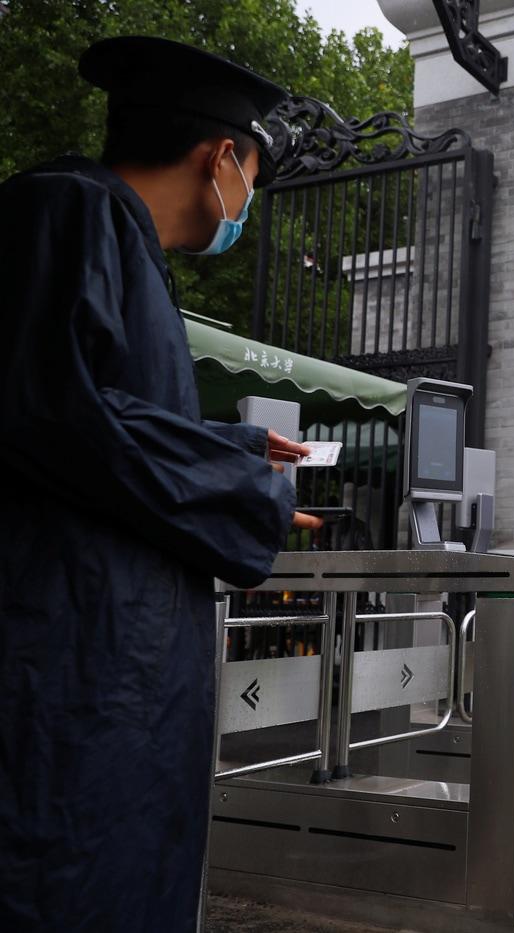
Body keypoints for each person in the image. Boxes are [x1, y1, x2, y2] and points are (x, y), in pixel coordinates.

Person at [0, 37, 320, 931]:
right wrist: (236, 477)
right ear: (222, 158)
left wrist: (232, 448)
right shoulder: (63, 212)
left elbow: (104, 422)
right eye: (254, 172)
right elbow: (58, 414)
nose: (247, 200)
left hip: (117, 674)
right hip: (73, 669)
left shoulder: (120, 243)